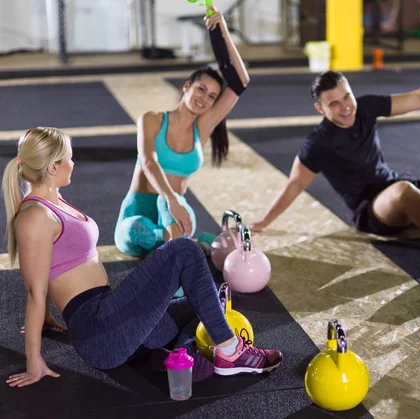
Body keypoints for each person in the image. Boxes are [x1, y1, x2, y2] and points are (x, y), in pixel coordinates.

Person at [3, 127, 282, 388]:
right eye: (69, 159)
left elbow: (55, 265)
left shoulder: (55, 202)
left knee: (209, 301)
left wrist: (47, 319)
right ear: (53, 167)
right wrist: (34, 360)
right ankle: (230, 353)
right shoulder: (35, 216)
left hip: (117, 321)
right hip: (100, 332)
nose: (73, 164)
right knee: (184, 250)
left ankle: (174, 357)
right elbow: (34, 290)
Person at [248, 71, 420, 237]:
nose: (345, 107)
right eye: (333, 103)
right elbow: (294, 184)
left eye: (347, 96)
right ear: (319, 108)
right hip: (371, 211)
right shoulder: (318, 142)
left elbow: (417, 98)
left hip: (394, 185)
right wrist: (263, 223)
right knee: (404, 191)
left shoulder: (365, 108)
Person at [114, 7, 248, 257]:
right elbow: (148, 161)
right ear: (186, 86)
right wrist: (171, 198)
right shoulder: (152, 119)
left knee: (167, 206)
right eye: (200, 89)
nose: (204, 99)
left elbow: (240, 81)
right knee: (136, 231)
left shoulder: (203, 128)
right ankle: (194, 245)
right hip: (139, 212)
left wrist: (222, 31)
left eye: (212, 96)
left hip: (175, 214)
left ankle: (177, 267)